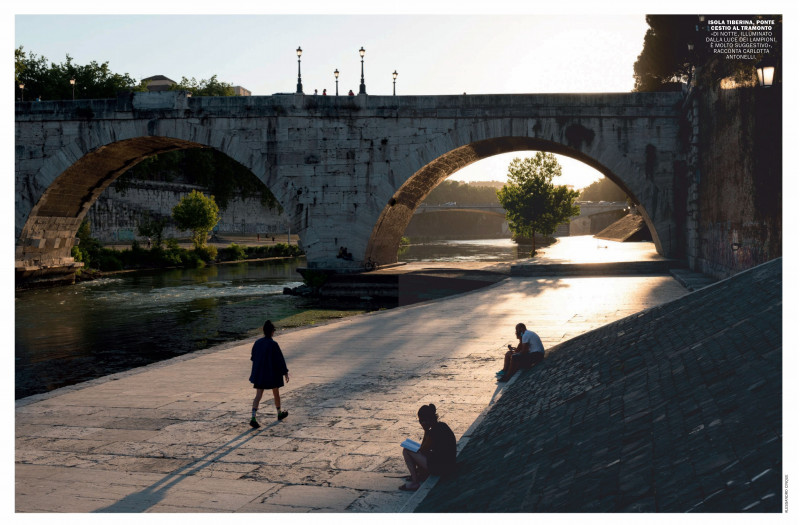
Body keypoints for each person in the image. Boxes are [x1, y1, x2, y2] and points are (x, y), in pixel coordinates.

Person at [400, 404, 457, 491]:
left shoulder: (433, 432)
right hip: (448, 463)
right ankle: (419, 474)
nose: (421, 423)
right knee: (415, 451)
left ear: (426, 420)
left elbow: (423, 450)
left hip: (440, 467)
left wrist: (426, 431)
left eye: (421, 421)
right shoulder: (441, 425)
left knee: (406, 450)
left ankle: (415, 482)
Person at [249, 320, 290, 427]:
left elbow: (253, 358)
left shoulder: (257, 343)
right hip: (272, 374)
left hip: (260, 374)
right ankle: (279, 413)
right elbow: (280, 360)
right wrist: (285, 372)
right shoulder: (273, 344)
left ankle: (253, 417)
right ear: (272, 332)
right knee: (276, 393)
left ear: (263, 331)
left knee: (258, 395)